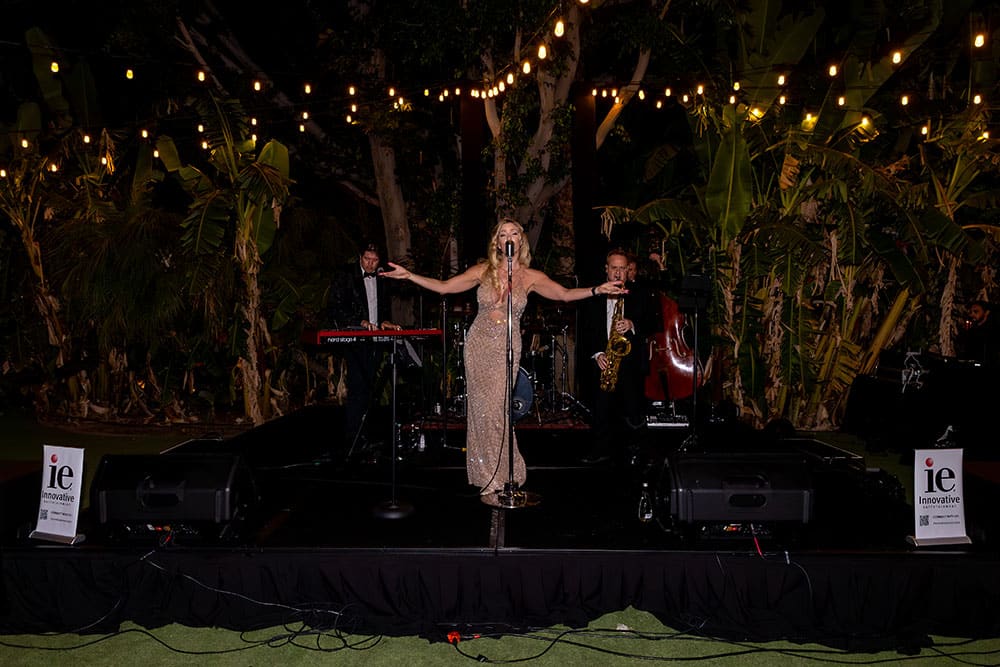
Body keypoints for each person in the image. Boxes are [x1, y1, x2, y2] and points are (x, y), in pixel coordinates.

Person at [382, 219, 626, 497]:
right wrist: (409, 276)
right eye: (502, 234)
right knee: (481, 411)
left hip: (507, 346)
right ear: (497, 242)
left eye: (514, 233)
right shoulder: (483, 270)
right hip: (478, 345)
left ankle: (505, 472)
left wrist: (597, 290)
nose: (508, 237)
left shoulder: (531, 276)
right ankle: (488, 475)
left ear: (521, 240)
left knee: (498, 411)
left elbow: (565, 294)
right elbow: (444, 287)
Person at [577, 248, 650, 464]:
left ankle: (634, 451)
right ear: (606, 269)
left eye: (622, 268)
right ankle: (599, 449)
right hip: (604, 359)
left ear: (628, 271)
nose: (618, 273)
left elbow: (654, 323)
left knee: (632, 408)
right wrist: (597, 353)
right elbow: (585, 330)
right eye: (614, 268)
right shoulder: (593, 295)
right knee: (600, 408)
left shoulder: (641, 293)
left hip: (631, 361)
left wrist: (632, 324)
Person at [328, 242, 402, 452]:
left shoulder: (382, 277)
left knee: (370, 389)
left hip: (376, 340)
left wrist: (386, 322)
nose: (370, 264)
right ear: (360, 257)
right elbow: (336, 307)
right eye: (367, 259)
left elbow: (382, 307)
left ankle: (366, 436)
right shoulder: (346, 275)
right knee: (357, 388)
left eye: (374, 260)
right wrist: (359, 322)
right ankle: (353, 439)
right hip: (356, 339)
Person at [956, 300, 999, 367]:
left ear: (986, 312)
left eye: (976, 312)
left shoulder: (992, 330)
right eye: (971, 312)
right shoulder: (971, 331)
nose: (972, 315)